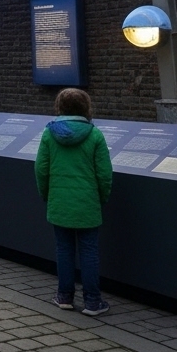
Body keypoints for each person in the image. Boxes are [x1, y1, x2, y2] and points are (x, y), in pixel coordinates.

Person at [35, 88, 113, 316]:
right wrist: (102, 198)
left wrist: (46, 195)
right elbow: (104, 174)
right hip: (87, 202)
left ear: (59, 106)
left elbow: (41, 169)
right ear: (85, 107)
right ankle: (92, 302)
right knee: (89, 252)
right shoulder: (95, 135)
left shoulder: (49, 134)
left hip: (59, 201)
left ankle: (65, 296)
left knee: (64, 250)